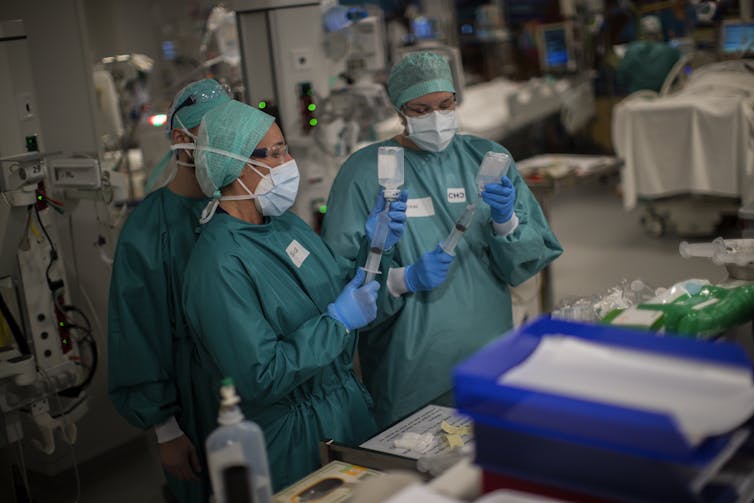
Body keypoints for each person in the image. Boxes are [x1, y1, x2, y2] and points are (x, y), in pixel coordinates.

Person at [321, 51, 563, 428]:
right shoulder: (366, 172)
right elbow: (336, 282)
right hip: (412, 373)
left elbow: (527, 263)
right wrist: (403, 280)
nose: (436, 117)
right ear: (400, 111)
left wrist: (506, 221)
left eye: (445, 104)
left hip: (489, 355)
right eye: (420, 110)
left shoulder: (487, 159)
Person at [181, 99, 407, 492]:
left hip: (344, 414)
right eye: (276, 152)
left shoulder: (284, 225)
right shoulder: (217, 265)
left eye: (286, 148)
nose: (288, 162)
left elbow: (342, 288)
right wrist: (335, 323)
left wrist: (375, 246)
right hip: (293, 440)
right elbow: (260, 375)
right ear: (236, 165)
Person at [108, 79, 231, 503]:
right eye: (218, 133)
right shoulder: (147, 232)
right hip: (194, 402)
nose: (230, 143)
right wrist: (166, 431)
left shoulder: (240, 203)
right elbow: (137, 334)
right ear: (182, 140)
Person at [617, 15, 681, 94]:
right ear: (660, 34)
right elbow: (681, 74)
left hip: (636, 98)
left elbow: (621, 78)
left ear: (642, 34)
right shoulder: (670, 52)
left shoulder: (632, 50)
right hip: (664, 96)